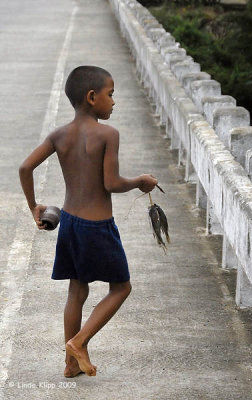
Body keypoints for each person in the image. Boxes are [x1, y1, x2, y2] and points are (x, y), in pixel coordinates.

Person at [19, 65, 158, 378]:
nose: (113, 101)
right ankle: (79, 342)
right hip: (97, 227)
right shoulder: (108, 134)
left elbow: (25, 168)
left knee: (77, 291)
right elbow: (111, 183)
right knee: (121, 288)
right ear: (92, 97)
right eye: (110, 95)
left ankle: (70, 364)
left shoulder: (58, 135)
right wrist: (140, 181)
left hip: (69, 224)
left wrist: (34, 207)